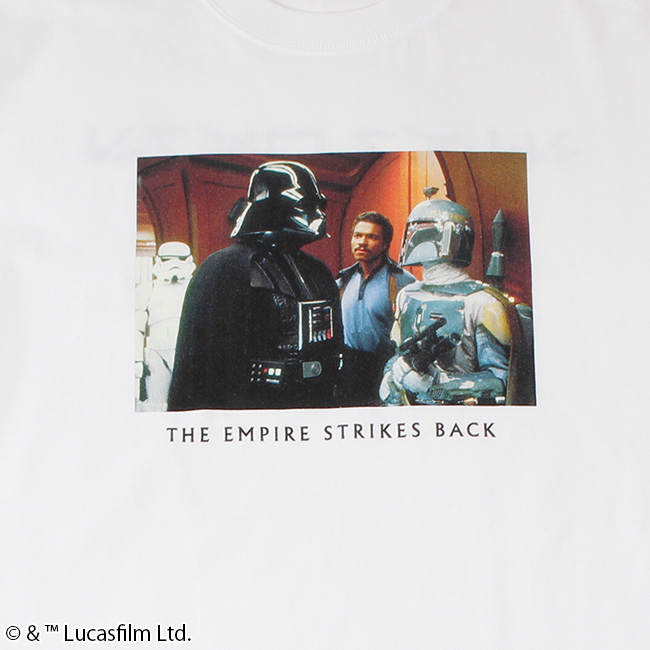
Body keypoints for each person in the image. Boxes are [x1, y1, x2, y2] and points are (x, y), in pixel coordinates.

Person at [167, 161, 343, 410]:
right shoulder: (224, 267)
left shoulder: (317, 270)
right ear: (273, 206)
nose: (319, 216)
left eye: (319, 206)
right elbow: (203, 362)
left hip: (314, 401)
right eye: (306, 206)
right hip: (255, 405)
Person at [380, 195, 533, 406]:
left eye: (427, 231)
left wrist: (438, 384)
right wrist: (392, 375)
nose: (418, 239)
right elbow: (398, 352)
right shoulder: (407, 294)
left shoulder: (482, 302)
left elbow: (500, 380)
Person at [337, 212, 415, 406]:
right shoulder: (343, 280)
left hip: (385, 369)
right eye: (357, 235)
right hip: (349, 372)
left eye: (371, 237)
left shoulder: (403, 282)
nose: (362, 242)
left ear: (385, 244)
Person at [135, 241, 196, 411]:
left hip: (189, 354)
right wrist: (137, 358)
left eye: (180, 259)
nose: (174, 264)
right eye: (168, 259)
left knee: (189, 404)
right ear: (159, 260)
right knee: (156, 405)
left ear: (188, 260)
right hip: (157, 355)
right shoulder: (147, 288)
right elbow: (136, 328)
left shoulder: (196, 286)